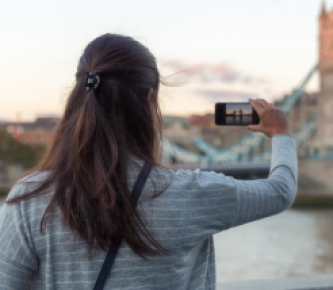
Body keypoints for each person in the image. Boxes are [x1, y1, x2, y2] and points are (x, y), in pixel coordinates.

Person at [0, 34, 297, 289]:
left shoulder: (28, 199)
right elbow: (281, 191)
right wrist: (281, 134)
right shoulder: (192, 193)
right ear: (149, 102)